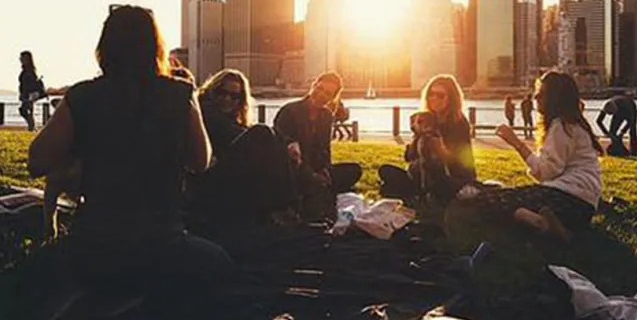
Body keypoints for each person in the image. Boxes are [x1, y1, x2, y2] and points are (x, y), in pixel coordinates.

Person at [27, 5, 234, 320]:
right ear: (156, 46)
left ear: (104, 47)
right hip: (162, 247)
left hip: (94, 249)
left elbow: (37, 160)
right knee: (220, 265)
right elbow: (201, 160)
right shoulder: (180, 94)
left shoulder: (82, 96)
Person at [492, 71, 604, 241]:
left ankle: (540, 223)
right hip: (584, 208)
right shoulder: (575, 125)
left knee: (495, 199)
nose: (536, 97)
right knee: (513, 203)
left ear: (555, 98)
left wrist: (516, 143)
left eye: (541, 94)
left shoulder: (561, 126)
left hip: (565, 197)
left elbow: (546, 172)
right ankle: (546, 224)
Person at [186, 68, 298, 232]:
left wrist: (289, 143)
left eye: (234, 96)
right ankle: (285, 208)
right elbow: (237, 133)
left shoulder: (229, 120)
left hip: (222, 179)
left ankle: (285, 205)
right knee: (262, 134)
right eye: (221, 93)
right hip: (205, 183)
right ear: (211, 91)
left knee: (271, 148)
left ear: (241, 100)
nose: (227, 99)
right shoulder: (206, 111)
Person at [273, 72, 362, 220]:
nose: (321, 95)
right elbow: (285, 149)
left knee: (354, 170)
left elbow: (325, 150)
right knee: (308, 182)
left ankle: (320, 185)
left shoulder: (326, 116)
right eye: (319, 88)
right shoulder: (289, 111)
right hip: (292, 167)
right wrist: (312, 175)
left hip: (316, 168)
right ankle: (314, 188)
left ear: (332, 98)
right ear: (313, 86)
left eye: (327, 93)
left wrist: (325, 170)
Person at [378, 74, 476, 205]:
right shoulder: (427, 119)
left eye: (440, 95)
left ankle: (420, 193)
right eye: (431, 94)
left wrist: (441, 150)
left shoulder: (459, 123)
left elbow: (459, 163)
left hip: (452, 176)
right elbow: (408, 157)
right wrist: (417, 135)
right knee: (386, 171)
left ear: (451, 99)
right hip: (421, 174)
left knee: (434, 170)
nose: (434, 98)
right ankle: (417, 192)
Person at [18, 51, 46, 131]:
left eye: (22, 58)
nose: (20, 59)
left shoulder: (29, 71)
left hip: (29, 94)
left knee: (25, 110)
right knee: (27, 110)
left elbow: (30, 83)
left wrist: (28, 94)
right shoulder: (26, 70)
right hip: (26, 93)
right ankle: (32, 126)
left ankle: (32, 126)